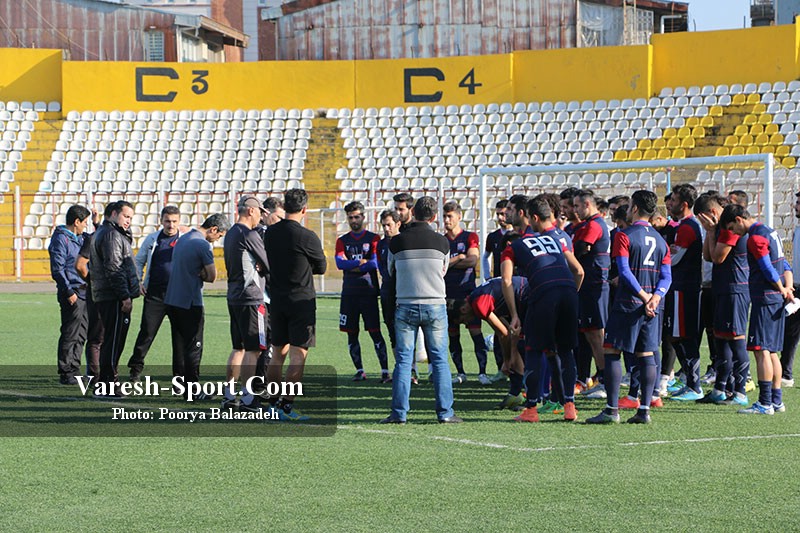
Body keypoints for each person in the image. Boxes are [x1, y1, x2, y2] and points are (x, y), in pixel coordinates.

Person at [586, 190, 671, 424]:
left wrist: (643, 296)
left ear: (634, 208)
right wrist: (655, 297)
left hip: (629, 303)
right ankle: (644, 411)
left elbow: (624, 271)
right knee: (646, 354)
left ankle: (611, 410)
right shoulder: (661, 240)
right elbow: (667, 276)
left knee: (612, 351)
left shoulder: (624, 236)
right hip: (652, 307)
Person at [503, 197, 584, 423]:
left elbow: (507, 281)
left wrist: (515, 314)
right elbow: (578, 270)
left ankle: (531, 409)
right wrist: (570, 293)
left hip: (544, 294)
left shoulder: (513, 246)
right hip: (568, 292)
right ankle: (569, 406)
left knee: (533, 350)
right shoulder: (556, 240)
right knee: (566, 351)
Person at [381, 196, 461, 424]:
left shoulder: (396, 242)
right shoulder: (443, 242)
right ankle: (445, 413)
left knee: (404, 361)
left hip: (405, 304)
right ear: (434, 217)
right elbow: (443, 270)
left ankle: (399, 414)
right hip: (435, 305)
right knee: (440, 360)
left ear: (413, 213)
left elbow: (390, 270)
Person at [720, 203, 793, 415]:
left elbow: (767, 268)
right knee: (772, 352)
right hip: (776, 299)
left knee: (761, 351)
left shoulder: (755, 237)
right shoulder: (771, 232)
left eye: (732, 228)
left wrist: (781, 288)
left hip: (766, 298)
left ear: (739, 219)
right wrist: (787, 288)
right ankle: (776, 401)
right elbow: (784, 264)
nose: (734, 233)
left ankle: (765, 402)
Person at [264, 188, 327, 421]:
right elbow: (321, 267)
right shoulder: (307, 236)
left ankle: (272, 404)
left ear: (284, 206)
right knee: (298, 355)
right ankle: (287, 407)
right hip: (301, 301)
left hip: (277, 299)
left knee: (277, 355)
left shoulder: (270, 233)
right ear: (304, 209)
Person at [694, 192, 750, 406]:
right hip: (722, 288)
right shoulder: (719, 228)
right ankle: (720, 388)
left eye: (703, 218)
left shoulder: (730, 228)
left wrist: (712, 231)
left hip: (735, 289)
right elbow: (707, 256)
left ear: (712, 212)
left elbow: (718, 257)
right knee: (721, 339)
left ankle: (740, 391)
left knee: (736, 339)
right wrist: (710, 232)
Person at [165, 213, 228, 399]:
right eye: (219, 235)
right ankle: (192, 389)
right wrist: (201, 273)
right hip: (190, 301)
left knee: (179, 345)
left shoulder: (183, 239)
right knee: (194, 346)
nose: (217, 240)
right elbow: (212, 276)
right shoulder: (202, 244)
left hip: (172, 299)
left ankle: (179, 385)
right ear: (213, 229)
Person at [221, 196, 270, 413]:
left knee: (238, 348)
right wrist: (262, 265)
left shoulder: (231, 233)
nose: (260, 216)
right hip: (251, 297)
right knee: (253, 350)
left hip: (234, 296)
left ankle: (229, 395)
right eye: (259, 212)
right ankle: (249, 398)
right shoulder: (249, 234)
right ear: (251, 211)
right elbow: (268, 263)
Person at [126, 206, 186, 381]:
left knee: (180, 338)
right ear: (161, 221)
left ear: (179, 221)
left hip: (178, 296)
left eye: (174, 221)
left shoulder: (185, 240)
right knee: (147, 332)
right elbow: (139, 261)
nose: (171, 225)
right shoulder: (153, 239)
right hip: (155, 295)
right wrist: (138, 281)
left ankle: (179, 377)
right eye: (167, 221)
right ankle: (135, 368)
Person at [89, 200, 140, 396]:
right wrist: (124, 296)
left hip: (107, 295)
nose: (128, 221)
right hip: (113, 297)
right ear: (113, 214)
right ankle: (109, 383)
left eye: (130, 218)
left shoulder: (108, 232)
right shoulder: (111, 235)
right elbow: (114, 268)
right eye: (125, 216)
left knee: (111, 340)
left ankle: (106, 382)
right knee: (114, 342)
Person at [456, 274, 528, 410]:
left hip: (525, 295)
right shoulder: (476, 296)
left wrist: (507, 360)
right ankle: (516, 392)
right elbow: (505, 330)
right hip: (523, 292)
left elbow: (503, 333)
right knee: (518, 345)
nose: (466, 324)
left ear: (463, 309)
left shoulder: (478, 304)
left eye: (463, 321)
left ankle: (536, 397)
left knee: (526, 348)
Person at [336, 201, 389, 382]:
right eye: (350, 217)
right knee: (351, 333)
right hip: (349, 294)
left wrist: (351, 264)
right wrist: (360, 263)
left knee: (375, 332)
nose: (354, 220)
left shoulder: (374, 239)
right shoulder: (342, 241)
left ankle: (384, 371)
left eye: (357, 217)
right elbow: (339, 263)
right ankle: (360, 371)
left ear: (363, 217)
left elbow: (374, 263)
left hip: (369, 293)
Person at [664, 184, 704, 401]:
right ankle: (690, 381)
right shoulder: (683, 226)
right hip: (680, 287)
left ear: (685, 204)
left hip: (684, 288)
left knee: (682, 336)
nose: (670, 203)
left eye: (674, 199)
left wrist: (665, 252)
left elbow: (673, 259)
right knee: (675, 336)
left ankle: (694, 385)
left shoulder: (688, 227)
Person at [442, 200, 490, 384]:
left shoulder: (470, 236)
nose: (447, 220)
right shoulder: (442, 241)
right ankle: (460, 373)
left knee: (476, 333)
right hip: (448, 296)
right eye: (444, 216)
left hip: (468, 295)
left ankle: (482, 373)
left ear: (459, 217)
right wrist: (458, 258)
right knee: (453, 336)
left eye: (450, 216)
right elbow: (440, 266)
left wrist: (450, 263)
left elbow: (472, 261)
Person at [572, 189, 611, 399]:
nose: (575, 210)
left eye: (577, 206)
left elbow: (581, 247)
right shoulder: (589, 224)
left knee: (596, 334)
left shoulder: (594, 224)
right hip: (590, 285)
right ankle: (601, 378)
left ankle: (605, 381)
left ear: (587, 204)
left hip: (594, 284)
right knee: (590, 334)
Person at [49, 204, 91, 385]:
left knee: (81, 333)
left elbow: (95, 237)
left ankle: (75, 368)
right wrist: (68, 291)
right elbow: (57, 269)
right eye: (85, 222)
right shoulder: (61, 239)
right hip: (72, 292)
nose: (86, 226)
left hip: (84, 291)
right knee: (70, 332)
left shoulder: (80, 238)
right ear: (76, 222)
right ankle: (65, 372)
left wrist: (98, 222)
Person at [75, 209, 104, 382]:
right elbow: (79, 265)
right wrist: (92, 281)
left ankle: (104, 375)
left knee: (104, 337)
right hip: (100, 294)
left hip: (113, 295)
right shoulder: (94, 239)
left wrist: (96, 223)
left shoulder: (109, 236)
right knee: (97, 337)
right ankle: (95, 376)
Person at [781, 191, 800, 388]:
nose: (796, 206)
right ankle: (785, 373)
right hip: (798, 288)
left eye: (799, 203)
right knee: (790, 331)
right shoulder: (797, 230)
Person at [482, 199, 512, 281]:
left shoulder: (518, 235)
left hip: (515, 280)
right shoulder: (492, 236)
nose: (499, 217)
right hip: (498, 281)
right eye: (497, 214)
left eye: (502, 214)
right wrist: (487, 276)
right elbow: (485, 257)